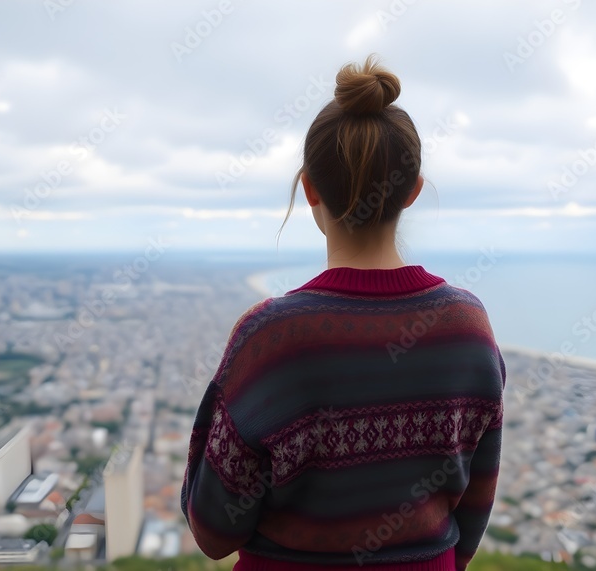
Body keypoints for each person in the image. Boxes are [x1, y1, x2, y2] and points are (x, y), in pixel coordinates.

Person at [181, 55, 506, 571]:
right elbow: (476, 501)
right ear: (414, 190)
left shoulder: (272, 339)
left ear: (309, 188)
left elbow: (214, 530)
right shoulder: (466, 326)